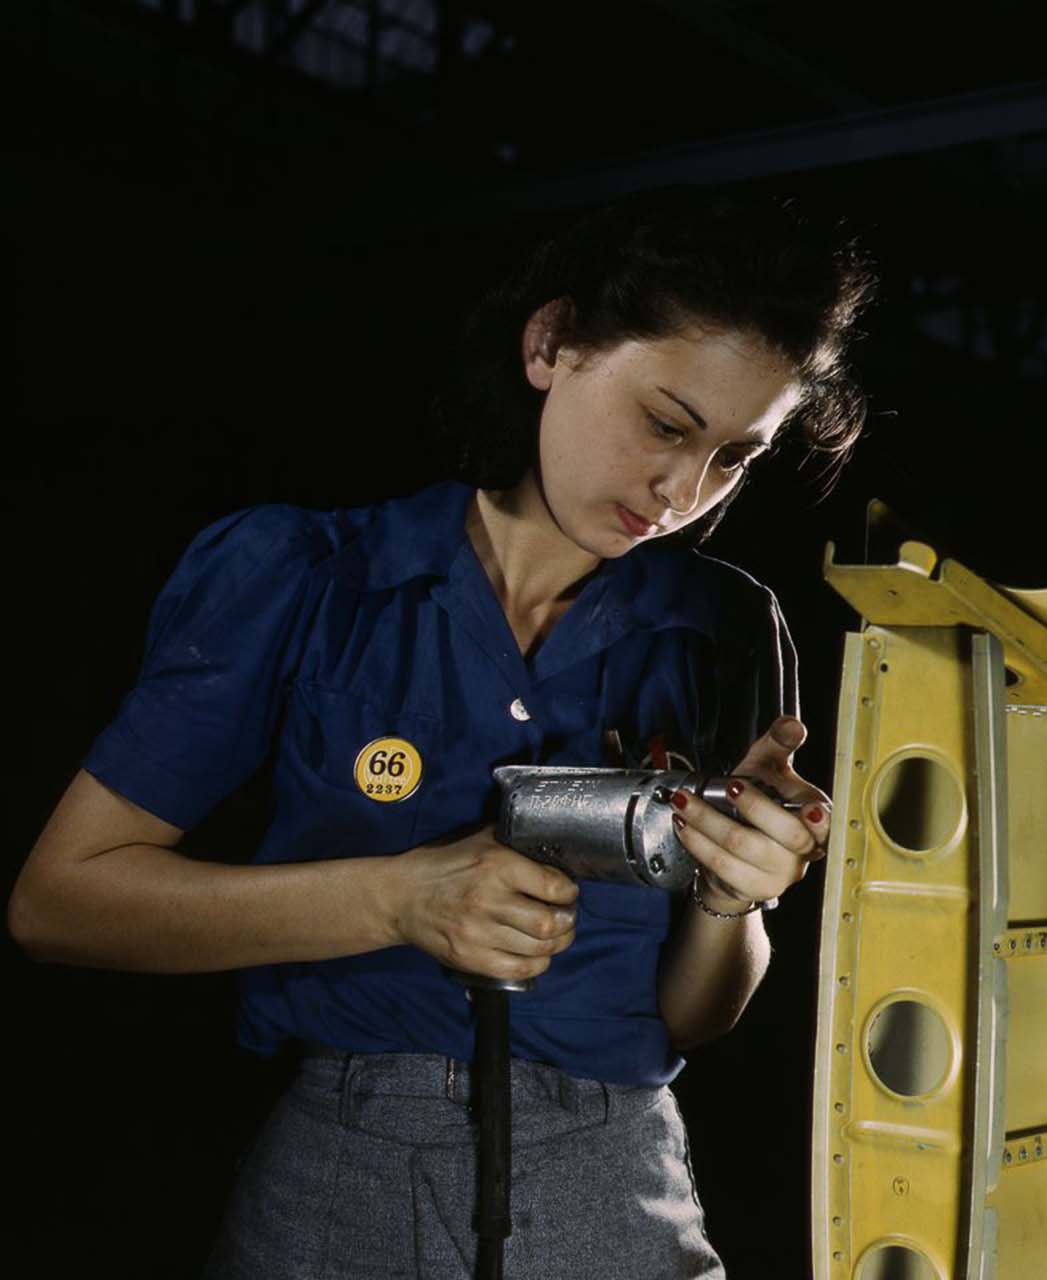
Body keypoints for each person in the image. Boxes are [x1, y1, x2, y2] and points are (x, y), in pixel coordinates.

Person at [8, 188, 875, 1278]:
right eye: (666, 423)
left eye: (734, 458)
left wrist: (734, 896)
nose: (680, 489)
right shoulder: (308, 578)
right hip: (338, 1166)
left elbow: (698, 1014)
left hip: (616, 1172)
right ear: (549, 345)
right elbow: (61, 901)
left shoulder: (725, 626)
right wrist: (398, 896)